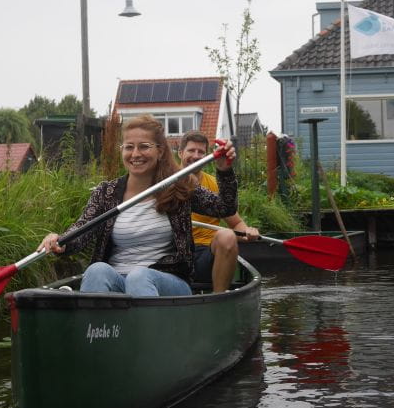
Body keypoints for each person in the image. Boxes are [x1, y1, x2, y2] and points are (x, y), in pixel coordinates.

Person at [39, 116, 238, 296]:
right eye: (129, 147)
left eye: (144, 146)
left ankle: (147, 333)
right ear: (122, 151)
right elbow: (82, 231)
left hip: (168, 282)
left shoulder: (179, 186)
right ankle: (97, 332)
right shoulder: (105, 193)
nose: (135, 154)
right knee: (96, 270)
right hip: (117, 279)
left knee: (139, 277)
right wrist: (61, 241)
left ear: (160, 151)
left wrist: (224, 171)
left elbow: (224, 208)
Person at [178, 131, 259, 293]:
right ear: (180, 153)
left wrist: (247, 232)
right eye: (191, 150)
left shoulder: (215, 185)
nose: (196, 156)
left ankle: (218, 298)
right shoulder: (166, 182)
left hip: (207, 255)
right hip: (175, 253)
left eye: (201, 152)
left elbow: (236, 223)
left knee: (227, 236)